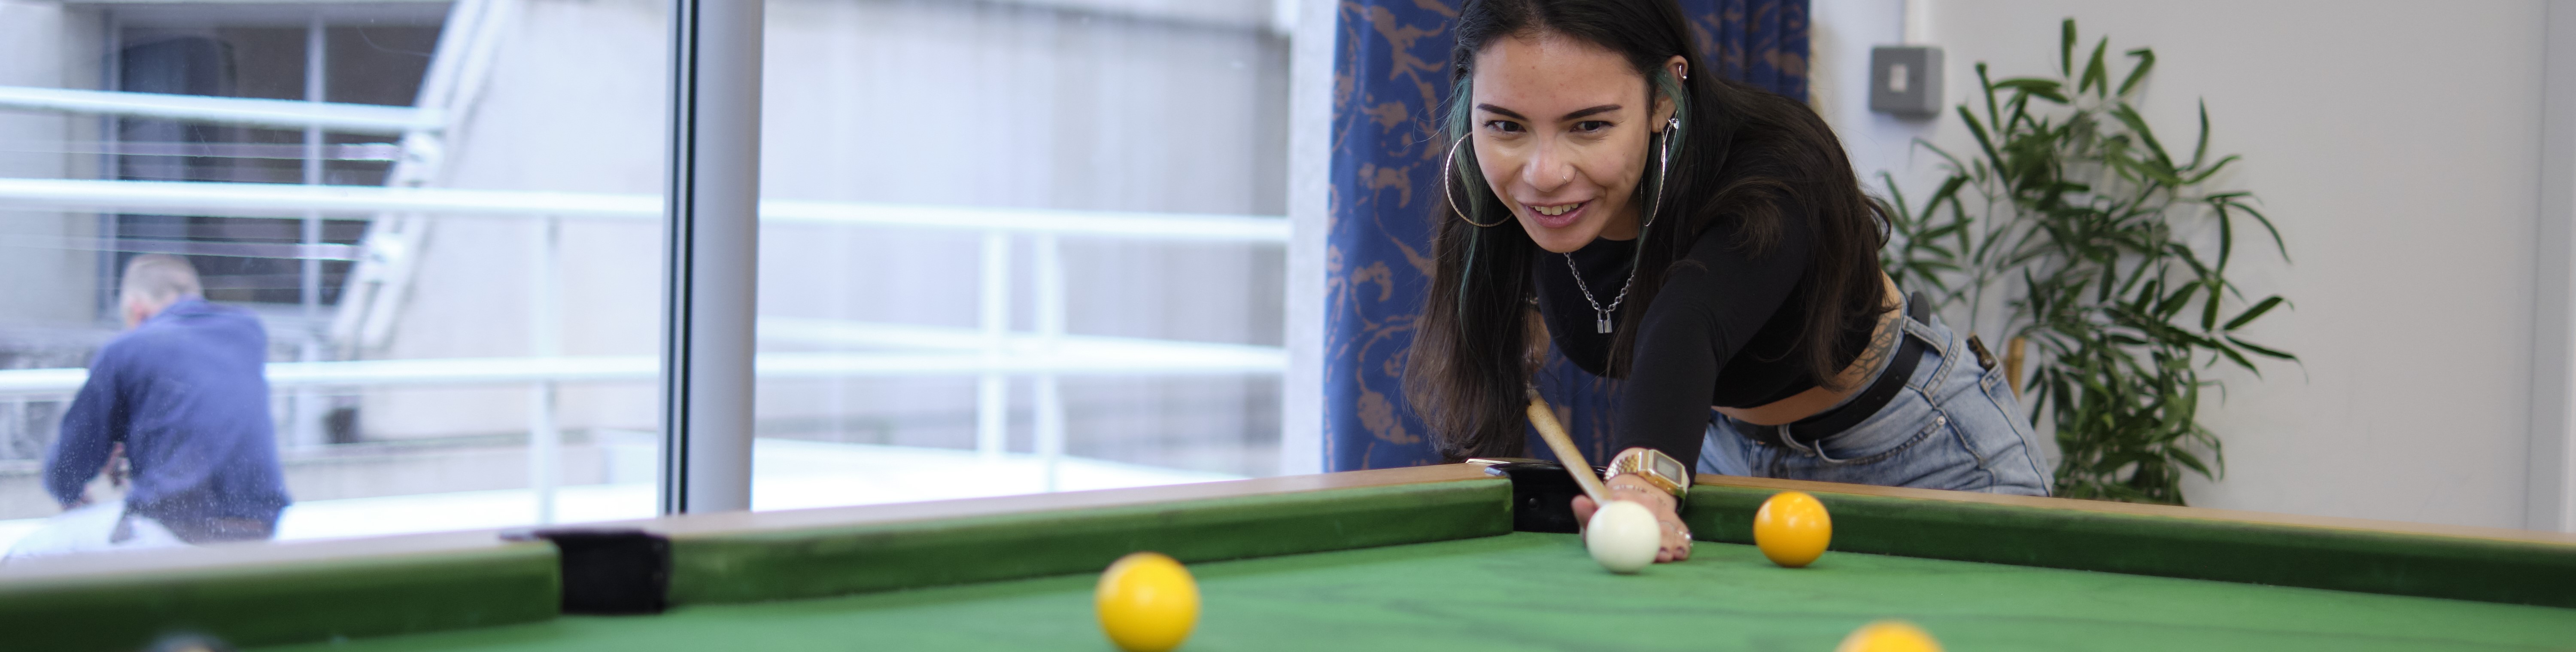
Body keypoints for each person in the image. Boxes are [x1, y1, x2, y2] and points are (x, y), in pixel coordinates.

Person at [1402, 0, 2050, 566]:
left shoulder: (1776, 163)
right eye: (1507, 125)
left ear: (1663, 96)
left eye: (1589, 125)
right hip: (1727, 462)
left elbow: (1688, 322)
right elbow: (1506, 354)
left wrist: (1641, 487)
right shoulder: (1501, 193)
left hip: (1921, 450)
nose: (1543, 174)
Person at [43, 254, 291, 544]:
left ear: (137, 311)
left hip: (175, 526)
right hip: (258, 524)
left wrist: (70, 494)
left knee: (33, 553)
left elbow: (68, 466)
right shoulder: (249, 331)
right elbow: (204, 412)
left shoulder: (126, 349)